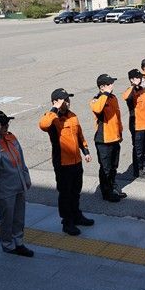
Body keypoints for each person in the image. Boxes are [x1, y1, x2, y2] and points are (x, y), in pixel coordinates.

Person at [38, 88, 94, 236]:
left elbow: (79, 135)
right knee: (65, 194)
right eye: (64, 100)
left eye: (68, 99)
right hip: (62, 163)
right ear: (56, 102)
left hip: (76, 161)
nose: (68, 102)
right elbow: (43, 125)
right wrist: (54, 108)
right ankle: (67, 222)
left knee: (76, 191)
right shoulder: (52, 118)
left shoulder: (72, 116)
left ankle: (77, 216)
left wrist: (86, 151)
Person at [0, 111, 33, 257]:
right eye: (3, 125)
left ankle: (19, 243)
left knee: (19, 218)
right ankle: (8, 245)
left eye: (6, 123)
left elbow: (20, 158)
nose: (6, 126)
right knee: (7, 219)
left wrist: (26, 177)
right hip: (4, 190)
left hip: (18, 185)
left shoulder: (11, 137)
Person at [91, 74, 126, 202]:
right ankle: (106, 193)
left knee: (113, 166)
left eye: (112, 83)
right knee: (105, 168)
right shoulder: (96, 100)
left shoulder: (113, 98)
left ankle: (112, 187)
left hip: (114, 138)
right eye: (109, 84)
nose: (112, 85)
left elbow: (117, 117)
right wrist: (105, 94)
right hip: (103, 140)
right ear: (102, 87)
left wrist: (120, 133)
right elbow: (97, 109)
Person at [123, 70, 145, 180]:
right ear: (132, 79)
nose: (140, 79)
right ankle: (137, 170)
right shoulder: (130, 92)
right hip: (137, 125)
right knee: (138, 149)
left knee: (144, 147)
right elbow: (126, 97)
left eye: (141, 77)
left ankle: (142, 166)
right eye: (138, 78)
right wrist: (133, 86)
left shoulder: (143, 90)